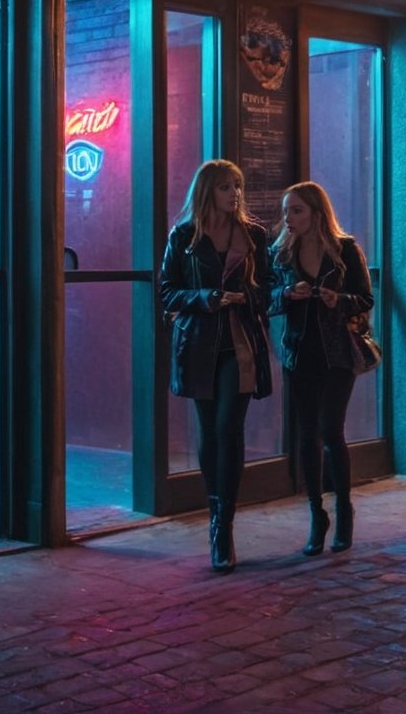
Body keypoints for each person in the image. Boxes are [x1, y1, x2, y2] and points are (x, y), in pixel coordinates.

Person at [159, 160, 274, 574]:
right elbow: (167, 291)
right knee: (209, 430)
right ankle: (215, 517)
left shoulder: (255, 236)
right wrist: (207, 296)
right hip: (200, 345)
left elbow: (271, 289)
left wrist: (247, 297)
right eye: (227, 187)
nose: (236, 194)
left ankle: (224, 524)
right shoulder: (185, 235)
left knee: (230, 427)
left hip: (241, 344)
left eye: (239, 187)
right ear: (209, 191)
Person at [269, 181, 374, 555]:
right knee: (306, 435)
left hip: (337, 353)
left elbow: (365, 297)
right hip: (299, 353)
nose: (289, 218)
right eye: (286, 211)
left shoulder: (345, 249)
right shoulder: (279, 254)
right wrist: (284, 294)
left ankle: (343, 510)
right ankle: (317, 515)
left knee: (332, 430)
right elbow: (264, 299)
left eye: (296, 210)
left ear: (316, 213)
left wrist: (338, 299)